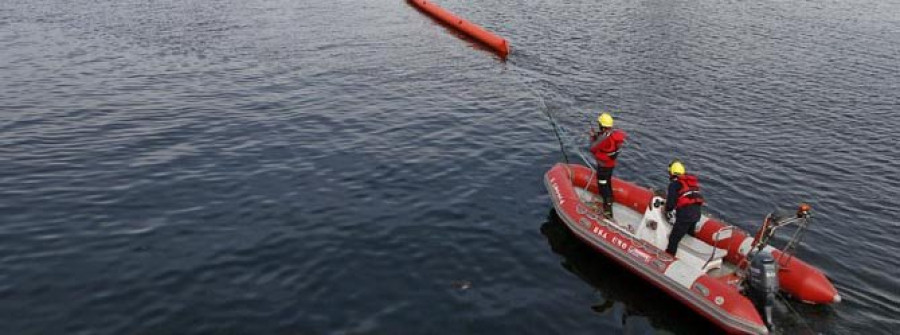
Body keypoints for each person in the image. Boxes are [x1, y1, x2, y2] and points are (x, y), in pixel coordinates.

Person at [589, 112, 627, 218]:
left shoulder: (603, 138)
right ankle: (610, 198)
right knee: (608, 182)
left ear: (602, 125)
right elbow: (604, 138)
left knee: (603, 185)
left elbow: (592, 148)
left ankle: (608, 209)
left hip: (603, 166)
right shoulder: (613, 135)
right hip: (610, 165)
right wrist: (597, 135)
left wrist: (592, 137)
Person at [664, 159, 705, 255]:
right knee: (689, 235)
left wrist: (665, 210)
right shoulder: (690, 183)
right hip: (696, 214)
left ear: (671, 173)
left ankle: (669, 257)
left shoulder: (674, 185)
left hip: (685, 216)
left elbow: (670, 206)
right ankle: (690, 255)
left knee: (673, 238)